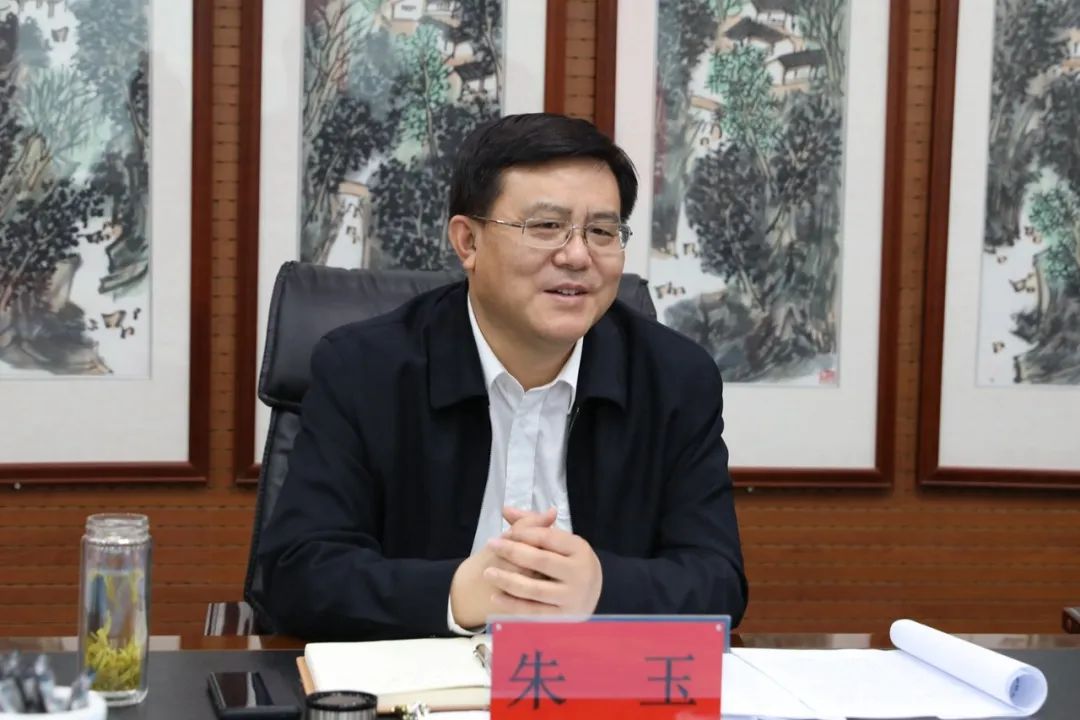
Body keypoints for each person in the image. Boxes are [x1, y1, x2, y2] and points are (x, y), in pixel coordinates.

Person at [253, 113, 748, 641]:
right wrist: (456, 594)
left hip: (591, 679)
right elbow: (296, 573)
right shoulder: (364, 370)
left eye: (602, 231)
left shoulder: (675, 379)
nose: (577, 255)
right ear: (468, 242)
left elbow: (717, 579)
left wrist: (603, 588)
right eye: (546, 227)